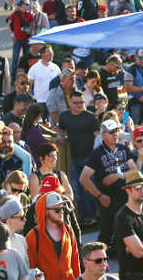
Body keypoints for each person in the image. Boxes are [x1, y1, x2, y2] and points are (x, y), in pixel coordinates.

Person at [80, 119, 138, 250]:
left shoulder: (124, 148)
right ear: (103, 134)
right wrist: (99, 196)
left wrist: (118, 175)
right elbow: (83, 178)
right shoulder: (97, 153)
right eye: (112, 132)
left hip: (126, 196)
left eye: (117, 131)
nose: (116, 134)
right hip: (108, 199)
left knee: (127, 229)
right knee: (106, 232)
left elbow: (135, 170)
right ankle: (98, 260)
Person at [58, 89, 99, 226]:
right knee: (76, 188)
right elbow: (61, 128)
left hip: (90, 158)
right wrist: (60, 136)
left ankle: (93, 217)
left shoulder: (91, 117)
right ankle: (85, 217)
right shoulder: (64, 116)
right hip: (75, 157)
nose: (79, 105)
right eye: (76, 103)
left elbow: (97, 137)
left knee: (90, 188)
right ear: (70, 103)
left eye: (82, 102)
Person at [26, 191, 81, 280]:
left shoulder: (68, 229)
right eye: (57, 210)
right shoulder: (33, 236)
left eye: (62, 208)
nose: (61, 212)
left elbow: (75, 260)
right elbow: (31, 269)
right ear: (45, 212)